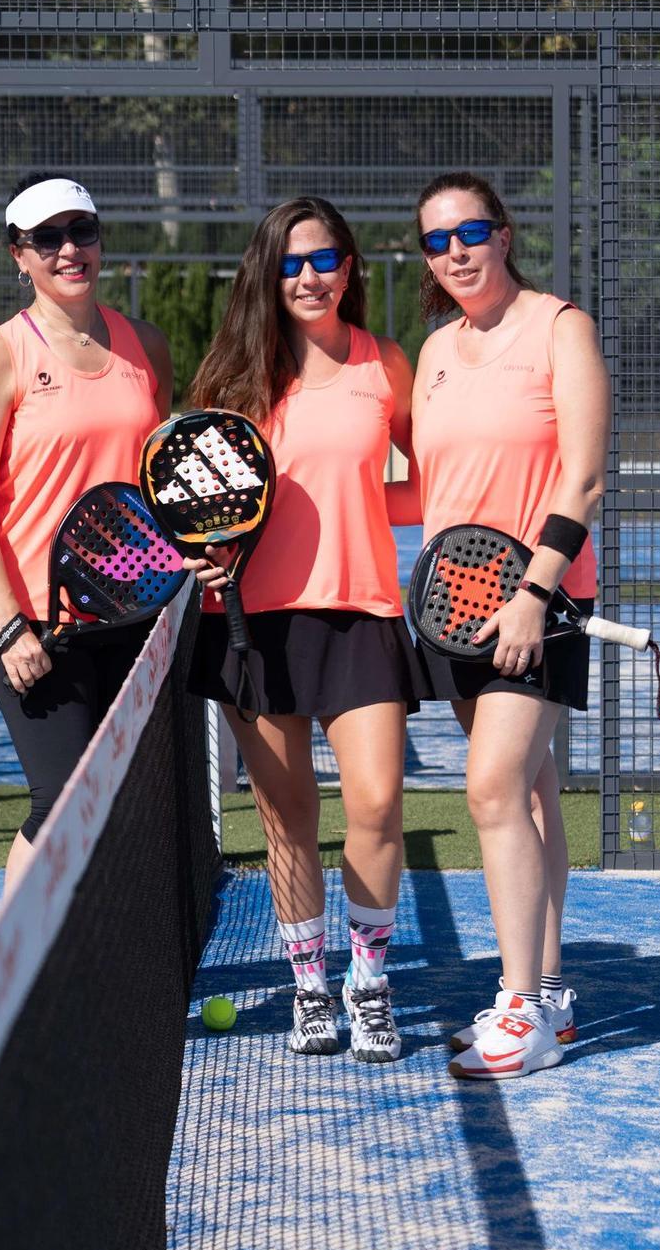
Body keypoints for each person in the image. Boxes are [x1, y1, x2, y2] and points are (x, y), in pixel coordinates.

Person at [187, 197, 428, 1062]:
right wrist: (205, 557)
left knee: (375, 804)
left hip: (361, 615)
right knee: (287, 818)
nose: (309, 277)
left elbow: (425, 486)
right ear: (267, 273)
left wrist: (367, 504)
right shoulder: (230, 380)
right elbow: (193, 508)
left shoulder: (385, 364)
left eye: (324, 259)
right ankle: (311, 987)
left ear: (351, 267)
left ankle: (368, 982)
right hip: (252, 624)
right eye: (291, 263)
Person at [411, 170, 609, 1079]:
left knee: (490, 790)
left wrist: (534, 593)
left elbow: (584, 474)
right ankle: (554, 994)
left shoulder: (560, 327)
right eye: (436, 240)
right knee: (528, 797)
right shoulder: (435, 351)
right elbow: (429, 487)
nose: (455, 251)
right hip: (455, 609)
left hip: (543, 603)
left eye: (470, 232)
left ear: (503, 233)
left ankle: (520, 1007)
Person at [0, 172, 173, 886]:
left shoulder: (146, 346)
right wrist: (13, 626)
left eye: (81, 231)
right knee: (60, 801)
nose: (68, 249)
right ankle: (19, 982)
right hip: (38, 624)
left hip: (133, 612)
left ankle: (94, 975)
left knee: (119, 803)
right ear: (19, 255)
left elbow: (153, 478)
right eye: (47, 238)